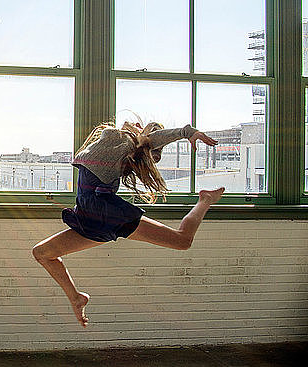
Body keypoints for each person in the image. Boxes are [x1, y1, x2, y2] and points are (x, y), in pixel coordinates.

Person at [32, 121, 225, 328]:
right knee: (42, 253)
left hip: (97, 215)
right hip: (94, 215)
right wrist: (185, 132)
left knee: (182, 240)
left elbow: (148, 141)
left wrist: (184, 133)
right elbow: (148, 139)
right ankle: (76, 298)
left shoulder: (118, 143)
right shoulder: (118, 139)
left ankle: (204, 201)